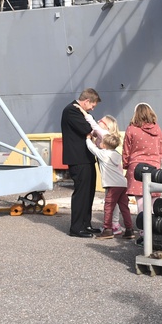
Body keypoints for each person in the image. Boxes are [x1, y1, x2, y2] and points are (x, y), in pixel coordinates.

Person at [61, 88, 101, 237]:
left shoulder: (81, 112)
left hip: (87, 159)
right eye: (92, 106)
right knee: (81, 194)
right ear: (86, 101)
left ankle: (86, 224)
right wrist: (92, 128)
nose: (92, 109)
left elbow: (92, 129)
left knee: (89, 193)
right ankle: (76, 227)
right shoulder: (71, 111)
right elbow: (86, 128)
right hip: (78, 159)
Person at [122, 102, 162, 232]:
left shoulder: (131, 129)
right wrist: (158, 163)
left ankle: (143, 234)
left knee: (141, 202)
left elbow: (126, 150)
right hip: (154, 167)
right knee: (153, 201)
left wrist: (125, 165)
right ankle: (154, 230)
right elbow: (161, 150)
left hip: (136, 168)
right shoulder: (157, 129)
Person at [85, 131, 134, 240]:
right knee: (124, 208)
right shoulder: (116, 154)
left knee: (108, 207)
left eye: (101, 142)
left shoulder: (104, 154)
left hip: (113, 185)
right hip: (122, 184)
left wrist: (88, 138)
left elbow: (92, 149)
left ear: (105, 145)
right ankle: (129, 230)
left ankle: (107, 230)